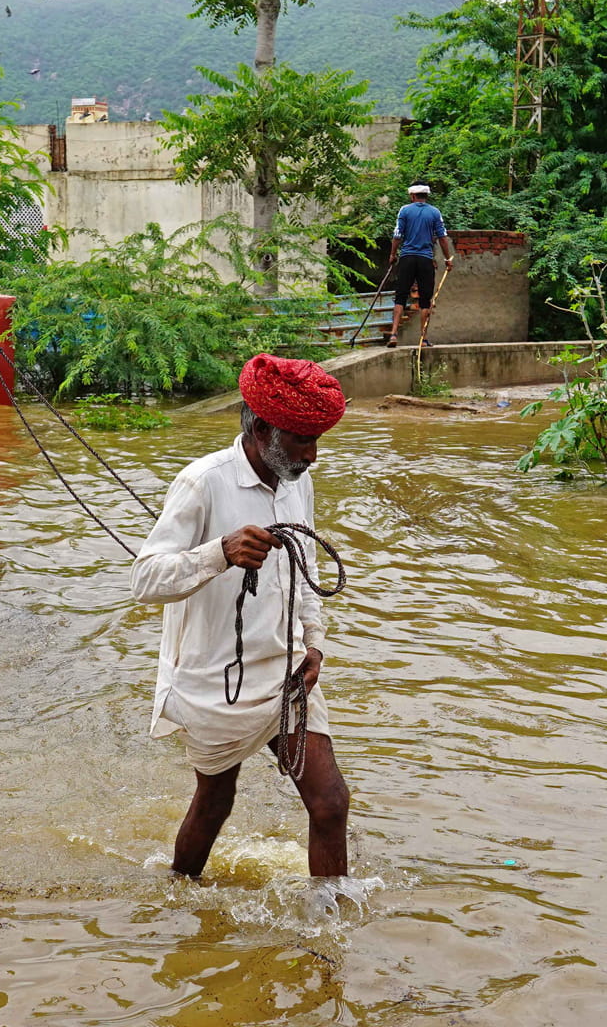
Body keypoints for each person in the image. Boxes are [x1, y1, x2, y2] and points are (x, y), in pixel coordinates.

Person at [131, 353, 352, 881]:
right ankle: (179, 893)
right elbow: (145, 580)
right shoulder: (203, 482)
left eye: (317, 440)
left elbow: (306, 570)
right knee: (216, 801)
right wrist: (219, 553)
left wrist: (314, 643)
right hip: (215, 679)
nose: (312, 455)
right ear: (261, 430)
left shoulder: (296, 480)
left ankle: (331, 918)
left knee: (330, 803)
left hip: (286, 668)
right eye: (302, 440)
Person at [386, 183, 455, 349]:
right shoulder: (435, 212)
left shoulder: (405, 210)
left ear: (412, 196)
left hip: (407, 258)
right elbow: (442, 237)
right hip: (425, 260)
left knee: (401, 296)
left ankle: (393, 334)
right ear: (426, 196)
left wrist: (392, 255)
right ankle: (423, 339)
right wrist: (447, 259)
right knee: (425, 300)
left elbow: (397, 235)